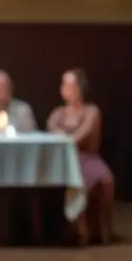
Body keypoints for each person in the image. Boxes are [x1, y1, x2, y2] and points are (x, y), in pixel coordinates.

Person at [47, 68, 115, 242]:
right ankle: (72, 230)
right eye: (64, 84)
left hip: (87, 158)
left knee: (104, 179)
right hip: (64, 160)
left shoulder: (92, 111)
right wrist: (61, 135)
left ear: (80, 88)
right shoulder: (58, 113)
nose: (66, 88)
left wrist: (65, 136)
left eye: (70, 84)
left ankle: (100, 231)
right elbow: (51, 130)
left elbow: (79, 138)